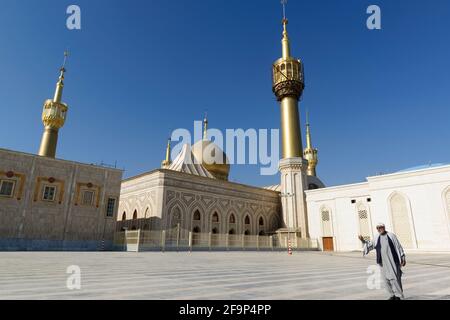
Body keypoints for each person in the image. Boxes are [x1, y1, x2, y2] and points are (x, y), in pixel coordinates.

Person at [358, 223, 406, 300]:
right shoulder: (377, 237)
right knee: (385, 280)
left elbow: (399, 247)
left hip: (392, 261)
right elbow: (370, 245)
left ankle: (398, 296)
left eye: (380, 227)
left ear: (384, 227)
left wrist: (403, 257)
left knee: (394, 278)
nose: (379, 229)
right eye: (378, 228)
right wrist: (362, 240)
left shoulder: (391, 235)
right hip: (382, 262)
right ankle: (392, 295)